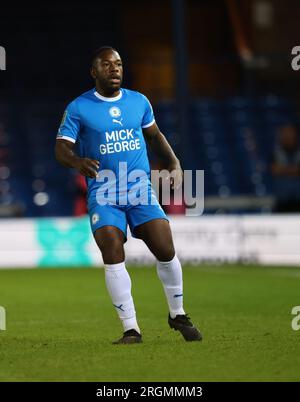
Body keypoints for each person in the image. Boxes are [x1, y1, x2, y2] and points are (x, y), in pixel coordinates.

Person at [55, 46, 202, 344]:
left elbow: (155, 136)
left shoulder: (139, 101)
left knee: (165, 247)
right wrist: (76, 161)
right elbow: (61, 148)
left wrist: (173, 162)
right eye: (107, 64)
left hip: (140, 189)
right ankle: (131, 328)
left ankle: (177, 314)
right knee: (111, 247)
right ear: (93, 71)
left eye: (119, 64)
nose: (115, 69)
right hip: (104, 192)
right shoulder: (78, 107)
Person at [271, 125, 300, 212]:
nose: (287, 137)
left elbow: (279, 170)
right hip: (282, 200)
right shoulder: (276, 153)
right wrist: (295, 170)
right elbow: (275, 170)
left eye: (290, 134)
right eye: (285, 135)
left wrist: (283, 170)